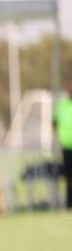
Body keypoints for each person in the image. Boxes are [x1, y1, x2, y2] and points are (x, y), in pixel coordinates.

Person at [52, 79, 72, 209]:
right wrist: (57, 136)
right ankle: (69, 202)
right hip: (66, 146)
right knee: (69, 175)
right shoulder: (62, 105)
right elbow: (54, 121)